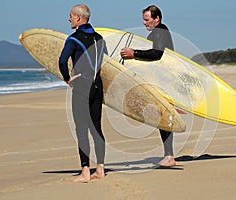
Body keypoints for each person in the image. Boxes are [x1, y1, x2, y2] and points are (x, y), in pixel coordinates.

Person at [120, 5, 176, 167]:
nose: (144, 23)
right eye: (143, 20)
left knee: (162, 117)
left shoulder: (159, 32)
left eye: (147, 19)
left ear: (156, 19)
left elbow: (157, 54)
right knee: (161, 117)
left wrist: (134, 53)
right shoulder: (159, 32)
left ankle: (169, 156)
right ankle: (168, 155)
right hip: (163, 80)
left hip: (165, 82)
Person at [59, 4, 108, 182]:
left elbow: (62, 61)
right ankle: (100, 169)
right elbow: (104, 60)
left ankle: (85, 171)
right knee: (97, 128)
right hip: (97, 86)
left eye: (71, 16)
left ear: (79, 18)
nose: (69, 19)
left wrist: (67, 78)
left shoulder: (73, 39)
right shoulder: (100, 38)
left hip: (81, 87)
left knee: (81, 129)